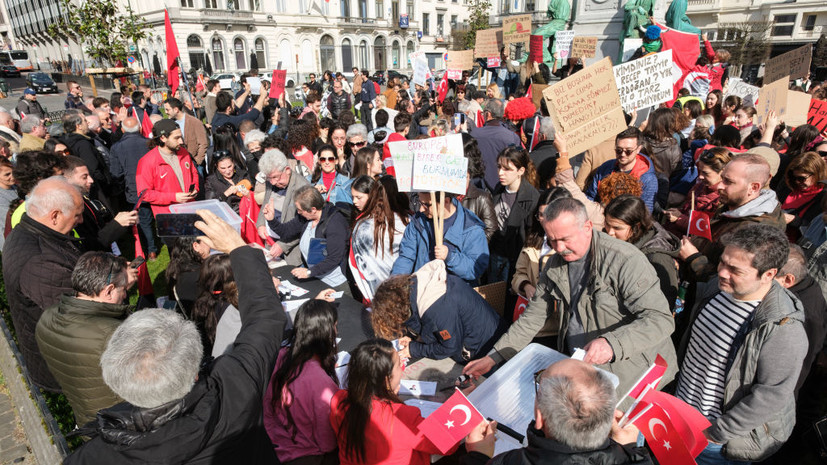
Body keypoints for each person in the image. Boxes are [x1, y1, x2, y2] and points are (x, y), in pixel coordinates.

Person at [64, 210, 287, 464]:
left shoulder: (93, 456)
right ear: (195, 371)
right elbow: (265, 318)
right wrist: (238, 248)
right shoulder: (234, 387)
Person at [463, 199, 678, 407]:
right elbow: (532, 317)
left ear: (587, 227)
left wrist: (612, 344)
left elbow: (660, 319)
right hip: (588, 370)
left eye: (566, 239)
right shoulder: (554, 265)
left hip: (634, 374)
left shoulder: (625, 260)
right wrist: (494, 357)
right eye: (552, 240)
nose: (559, 248)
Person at [675, 224, 807, 464]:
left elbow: (771, 394)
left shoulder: (782, 328)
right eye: (723, 262)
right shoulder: (717, 288)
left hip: (714, 443)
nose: (722, 272)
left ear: (768, 274)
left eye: (735, 270)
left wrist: (716, 433)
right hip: (679, 418)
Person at [462, 359, 653, 465]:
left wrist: (477, 457)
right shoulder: (634, 459)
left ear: (540, 417)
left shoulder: (509, 462)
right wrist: (632, 449)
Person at [329, 339, 476, 465]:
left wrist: (387, 392)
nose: (402, 369)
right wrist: (460, 404)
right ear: (386, 379)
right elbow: (445, 443)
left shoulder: (338, 400)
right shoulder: (400, 417)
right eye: (399, 365)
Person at [3, 176, 84, 392]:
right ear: (55, 216)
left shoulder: (27, 231)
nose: (81, 221)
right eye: (77, 215)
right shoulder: (40, 262)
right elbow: (79, 318)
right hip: (69, 369)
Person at [35, 251, 133, 426]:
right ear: (109, 291)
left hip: (88, 422)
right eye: (124, 289)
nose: (125, 295)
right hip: (123, 426)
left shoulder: (47, 319)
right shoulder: (112, 335)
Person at [373, 259, 506, 363]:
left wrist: (414, 350)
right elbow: (423, 322)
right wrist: (413, 338)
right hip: (480, 338)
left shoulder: (436, 308)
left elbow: (449, 346)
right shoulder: (415, 286)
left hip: (486, 350)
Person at [680, 154, 785, 282]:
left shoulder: (756, 232)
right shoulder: (731, 204)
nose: (719, 186)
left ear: (753, 188)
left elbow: (729, 280)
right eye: (722, 178)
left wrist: (693, 258)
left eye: (728, 181)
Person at [263, 299, 340, 465]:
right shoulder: (323, 386)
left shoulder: (281, 356)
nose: (337, 331)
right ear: (326, 333)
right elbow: (328, 443)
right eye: (335, 326)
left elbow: (267, 405)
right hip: (304, 455)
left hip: (274, 443)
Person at [391, 191, 489, 284]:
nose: (421, 209)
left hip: (455, 292)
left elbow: (475, 269)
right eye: (420, 203)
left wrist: (450, 257)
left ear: (445, 201)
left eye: (427, 205)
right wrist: (395, 284)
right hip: (423, 289)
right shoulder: (418, 221)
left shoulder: (471, 228)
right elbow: (406, 257)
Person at [603, 195, 681, 311]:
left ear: (636, 226)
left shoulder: (657, 258)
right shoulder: (616, 239)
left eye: (617, 228)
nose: (610, 232)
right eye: (607, 224)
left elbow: (664, 305)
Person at [264, 185, 350, 288]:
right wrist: (271, 220)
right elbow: (286, 231)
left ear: (313, 210)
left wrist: (309, 272)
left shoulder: (335, 223)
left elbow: (334, 258)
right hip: (315, 277)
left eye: (300, 210)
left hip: (335, 282)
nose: (298, 212)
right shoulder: (306, 218)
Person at [350, 175, 410, 305]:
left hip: (384, 293)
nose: (354, 201)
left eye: (359, 197)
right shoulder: (410, 221)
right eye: (353, 197)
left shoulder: (363, 225)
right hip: (398, 291)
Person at [63, 156, 138, 253]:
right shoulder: (70, 208)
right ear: (67, 179)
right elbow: (90, 244)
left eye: (89, 176)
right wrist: (116, 224)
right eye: (84, 177)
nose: (91, 180)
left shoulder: (83, 198)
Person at [488, 147, 540, 284]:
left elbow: (531, 235)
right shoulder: (498, 189)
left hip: (514, 260)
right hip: (495, 253)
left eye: (507, 169)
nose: (500, 173)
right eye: (499, 167)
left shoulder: (532, 197)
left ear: (520, 171)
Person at [256, 149, 311, 264]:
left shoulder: (303, 188)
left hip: (291, 252)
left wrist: (283, 245)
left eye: (275, 177)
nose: (272, 182)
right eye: (269, 178)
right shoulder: (271, 181)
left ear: (287, 170)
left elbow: (305, 225)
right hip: (271, 243)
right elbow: (266, 202)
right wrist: (261, 224)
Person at [135, 119, 199, 217]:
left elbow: (193, 173)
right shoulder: (147, 162)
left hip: (189, 209)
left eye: (181, 137)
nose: (181, 141)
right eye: (176, 138)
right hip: (168, 216)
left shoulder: (184, 153)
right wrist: (173, 197)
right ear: (163, 138)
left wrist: (195, 188)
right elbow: (144, 193)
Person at [585, 127, 658, 212]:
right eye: (619, 150)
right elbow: (590, 197)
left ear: (638, 149)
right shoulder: (606, 167)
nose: (623, 154)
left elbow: (645, 212)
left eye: (628, 151)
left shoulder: (648, 179)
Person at [664, 146, 730, 237]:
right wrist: (677, 212)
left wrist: (680, 219)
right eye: (700, 171)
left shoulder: (722, 200)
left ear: (722, 173)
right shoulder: (700, 187)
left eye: (705, 173)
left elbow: (706, 231)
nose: (700, 176)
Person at [471, 99, 521, 191]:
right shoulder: (512, 136)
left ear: (488, 114)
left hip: (478, 188)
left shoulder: (474, 134)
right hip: (502, 187)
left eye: (483, 113)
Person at [776, 151, 827, 241]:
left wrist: (794, 220)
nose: (797, 181)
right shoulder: (788, 187)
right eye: (793, 177)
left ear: (817, 174)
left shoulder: (823, 196)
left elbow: (817, 226)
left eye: (801, 178)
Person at [164, 97, 209, 167]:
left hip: (194, 163)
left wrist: (197, 161)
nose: (165, 112)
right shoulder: (170, 124)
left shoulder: (194, 122)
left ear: (176, 109)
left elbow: (203, 144)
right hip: (178, 163)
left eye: (167, 109)